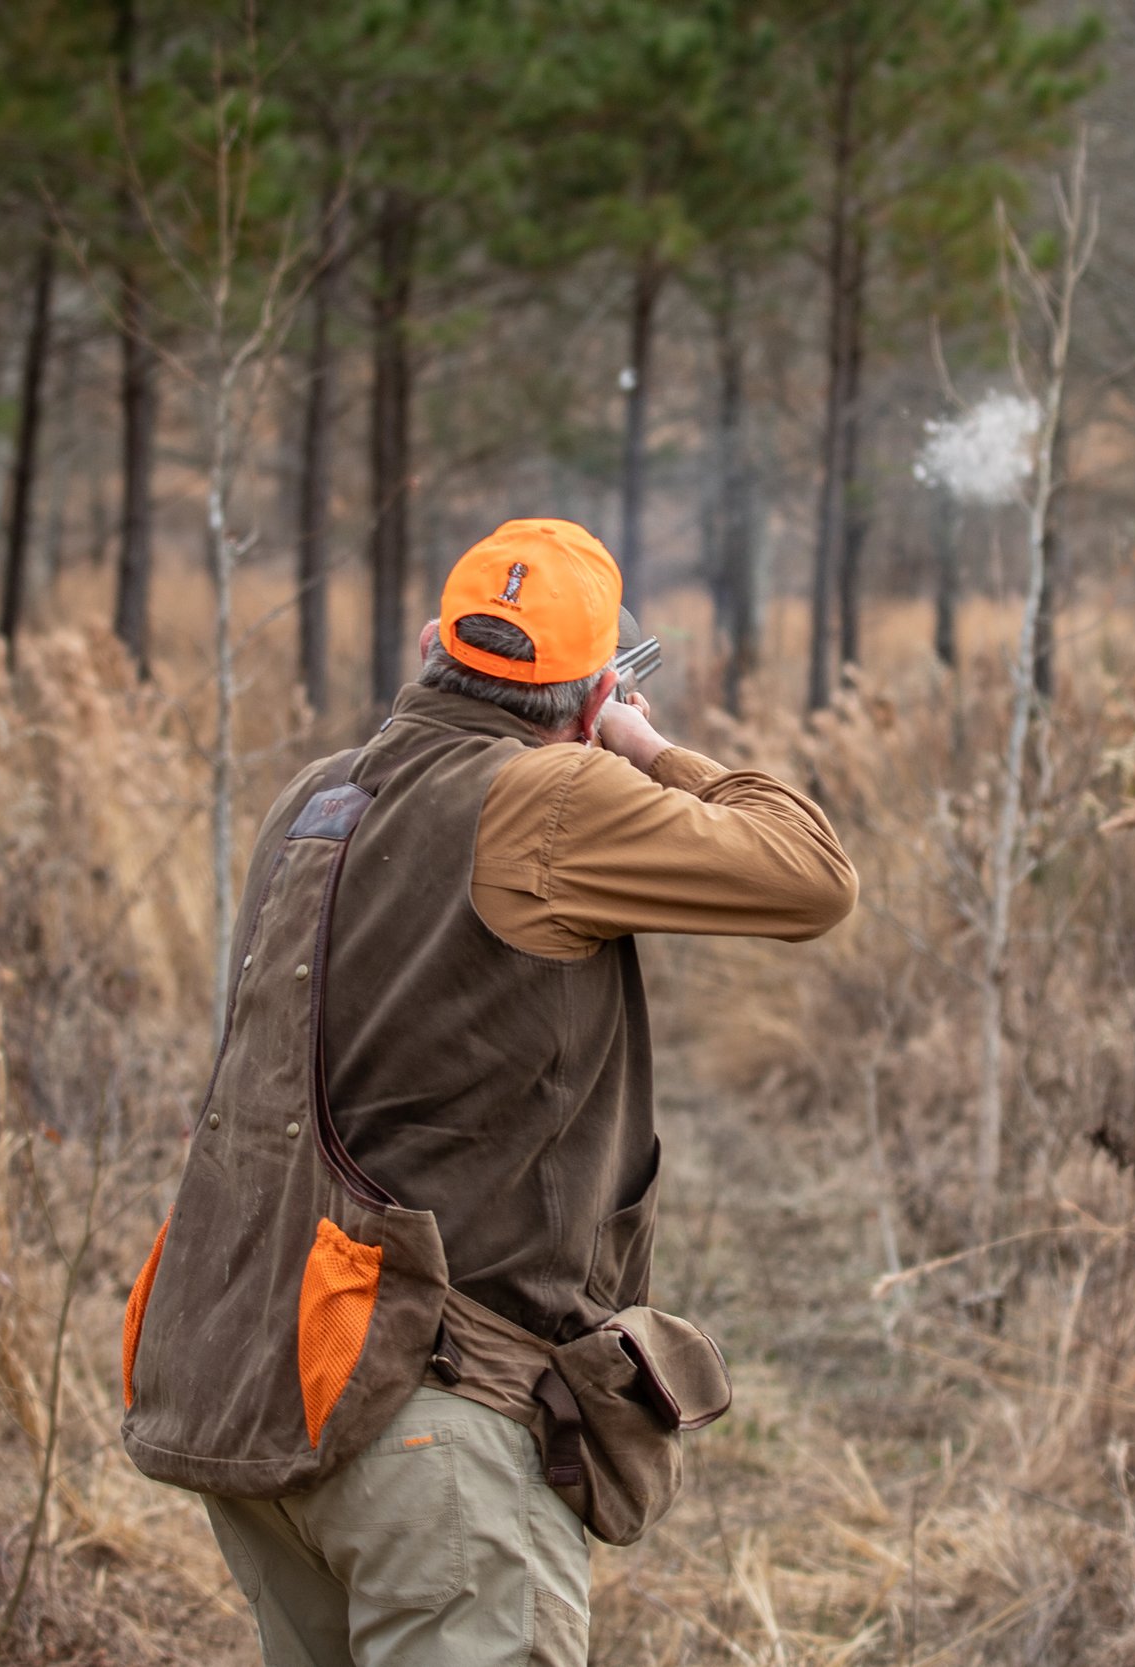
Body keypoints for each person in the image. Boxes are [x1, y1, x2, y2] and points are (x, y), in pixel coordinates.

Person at [121, 518, 856, 1666]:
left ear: (430, 644)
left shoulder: (316, 798)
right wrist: (642, 738)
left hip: (274, 1394)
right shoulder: (551, 795)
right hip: (431, 1428)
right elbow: (810, 873)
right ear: (596, 688)